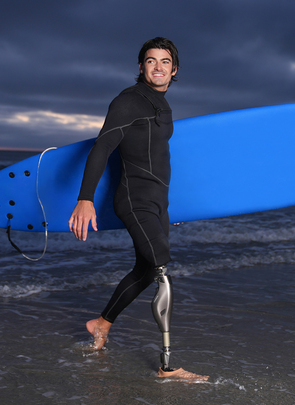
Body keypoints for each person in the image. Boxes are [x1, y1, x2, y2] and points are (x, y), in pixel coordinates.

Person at [69, 37, 208, 381]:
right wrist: (85, 198)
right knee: (162, 268)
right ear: (141, 67)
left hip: (157, 203)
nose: (158, 67)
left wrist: (168, 208)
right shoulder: (128, 101)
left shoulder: (162, 106)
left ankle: (100, 324)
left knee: (146, 270)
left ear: (174, 70)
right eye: (150, 60)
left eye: (164, 62)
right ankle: (167, 366)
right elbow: (102, 148)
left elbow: (159, 160)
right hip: (133, 199)